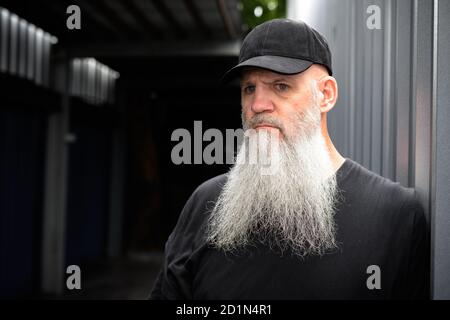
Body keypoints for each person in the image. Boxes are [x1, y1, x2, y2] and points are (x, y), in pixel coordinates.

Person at [150, 18, 429, 300]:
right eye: (249, 88)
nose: (258, 105)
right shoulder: (206, 203)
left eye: (281, 86)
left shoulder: (394, 216)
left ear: (326, 95)